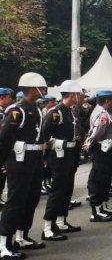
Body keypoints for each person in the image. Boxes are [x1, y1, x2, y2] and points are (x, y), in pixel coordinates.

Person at [0, 73, 49, 258]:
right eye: (41, 88)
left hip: (34, 160)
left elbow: (39, 137)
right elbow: (4, 138)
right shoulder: (16, 110)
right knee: (15, 202)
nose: (43, 91)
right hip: (19, 161)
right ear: (31, 88)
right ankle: (4, 243)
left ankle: (22, 236)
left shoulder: (36, 109)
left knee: (31, 199)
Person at [41, 80, 83, 242]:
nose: (79, 97)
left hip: (70, 154)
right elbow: (44, 135)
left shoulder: (69, 111)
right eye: (77, 94)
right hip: (58, 156)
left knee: (67, 188)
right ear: (71, 95)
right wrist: (54, 147)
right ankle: (47, 227)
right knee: (57, 190)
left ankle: (61, 220)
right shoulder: (55, 112)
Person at [84, 90, 112, 222]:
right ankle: (96, 211)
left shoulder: (104, 112)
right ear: (107, 101)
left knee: (105, 179)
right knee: (99, 179)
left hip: (106, 151)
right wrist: (89, 143)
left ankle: (102, 207)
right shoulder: (102, 114)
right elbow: (98, 133)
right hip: (101, 151)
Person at [0, 88, 14, 210]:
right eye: (9, 97)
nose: (11, 99)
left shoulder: (5, 111)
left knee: (2, 175)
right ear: (2, 98)